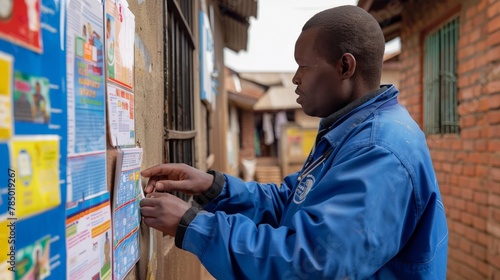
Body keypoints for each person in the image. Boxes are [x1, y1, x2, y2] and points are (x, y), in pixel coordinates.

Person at [140, 5, 448, 279]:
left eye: (304, 65)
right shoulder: (348, 131)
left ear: (345, 67)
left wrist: (192, 225)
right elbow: (292, 202)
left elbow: (313, 262)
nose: (295, 78)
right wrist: (213, 186)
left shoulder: (379, 150)